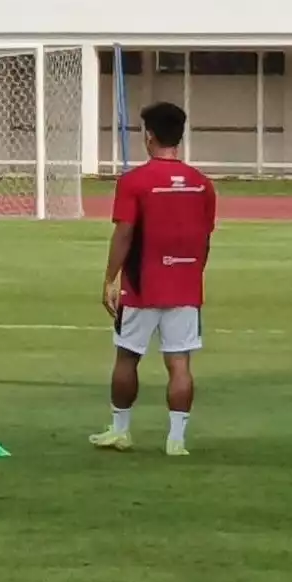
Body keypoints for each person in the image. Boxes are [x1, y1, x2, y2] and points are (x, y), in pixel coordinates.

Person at [92, 101, 218, 457]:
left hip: (142, 285)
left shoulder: (134, 182)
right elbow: (204, 238)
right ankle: (176, 440)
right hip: (185, 287)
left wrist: (110, 278)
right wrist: (192, 274)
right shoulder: (202, 185)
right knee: (180, 363)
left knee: (127, 357)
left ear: (148, 136)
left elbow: (125, 233)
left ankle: (121, 431)